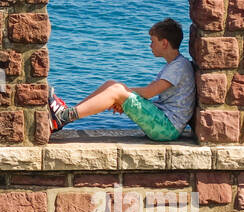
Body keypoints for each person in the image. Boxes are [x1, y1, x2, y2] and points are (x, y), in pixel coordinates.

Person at [49, 18, 195, 141]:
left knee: (116, 89)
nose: (150, 46)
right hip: (162, 122)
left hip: (167, 128)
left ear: (164, 43)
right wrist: (123, 99)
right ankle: (66, 115)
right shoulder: (173, 66)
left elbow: (149, 92)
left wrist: (122, 95)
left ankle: (63, 117)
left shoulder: (179, 66)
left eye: (152, 41)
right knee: (111, 84)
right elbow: (148, 93)